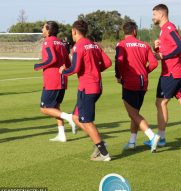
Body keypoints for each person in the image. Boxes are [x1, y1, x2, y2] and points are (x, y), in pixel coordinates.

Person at [59, 20, 112, 161]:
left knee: (86, 121)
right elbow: (108, 63)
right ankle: (98, 142)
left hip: (88, 88)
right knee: (76, 117)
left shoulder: (78, 46)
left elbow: (74, 68)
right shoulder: (94, 45)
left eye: (72, 32)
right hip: (93, 86)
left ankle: (103, 152)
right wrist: (94, 70)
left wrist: (63, 71)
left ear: (75, 31)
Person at [146, 4, 181, 148]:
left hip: (172, 73)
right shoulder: (163, 31)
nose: (153, 17)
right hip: (177, 71)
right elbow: (167, 50)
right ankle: (161, 138)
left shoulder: (169, 28)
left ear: (161, 14)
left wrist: (163, 56)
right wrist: (157, 48)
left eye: (154, 14)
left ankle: (161, 139)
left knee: (160, 102)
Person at [115, 21, 160, 152]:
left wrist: (119, 76)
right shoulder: (144, 45)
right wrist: (144, 72)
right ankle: (132, 142)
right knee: (135, 113)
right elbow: (154, 64)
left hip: (130, 82)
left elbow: (119, 62)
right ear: (135, 31)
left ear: (125, 32)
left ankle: (152, 136)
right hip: (143, 83)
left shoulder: (121, 44)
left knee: (133, 114)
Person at [34, 21, 76, 142]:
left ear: (48, 29)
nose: (42, 29)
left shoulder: (48, 41)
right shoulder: (61, 43)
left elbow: (52, 58)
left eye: (43, 27)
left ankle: (69, 117)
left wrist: (39, 65)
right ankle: (62, 134)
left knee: (44, 108)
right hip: (62, 80)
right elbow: (68, 63)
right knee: (56, 107)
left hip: (52, 81)